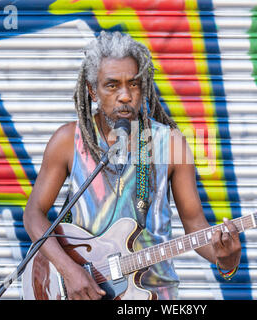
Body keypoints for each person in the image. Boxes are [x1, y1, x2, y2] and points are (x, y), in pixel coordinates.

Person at [23, 31, 241, 300]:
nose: (125, 95)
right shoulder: (68, 141)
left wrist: (226, 260)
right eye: (112, 85)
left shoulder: (171, 145)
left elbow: (195, 224)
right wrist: (68, 269)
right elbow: (34, 213)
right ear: (92, 90)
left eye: (134, 84)